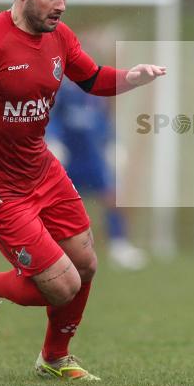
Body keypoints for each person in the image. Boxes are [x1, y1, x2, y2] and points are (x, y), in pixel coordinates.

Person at [0, 0, 165, 381]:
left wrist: (133, 76)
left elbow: (92, 78)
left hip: (43, 170)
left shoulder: (59, 37)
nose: (60, 5)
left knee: (86, 264)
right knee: (62, 285)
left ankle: (54, 358)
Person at [47, 80, 147, 271]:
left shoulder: (95, 94)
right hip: (67, 159)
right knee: (53, 203)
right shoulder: (62, 92)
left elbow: (104, 122)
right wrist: (53, 140)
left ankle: (119, 246)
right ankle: (49, 249)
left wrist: (112, 144)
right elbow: (51, 119)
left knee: (113, 197)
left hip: (93, 158)